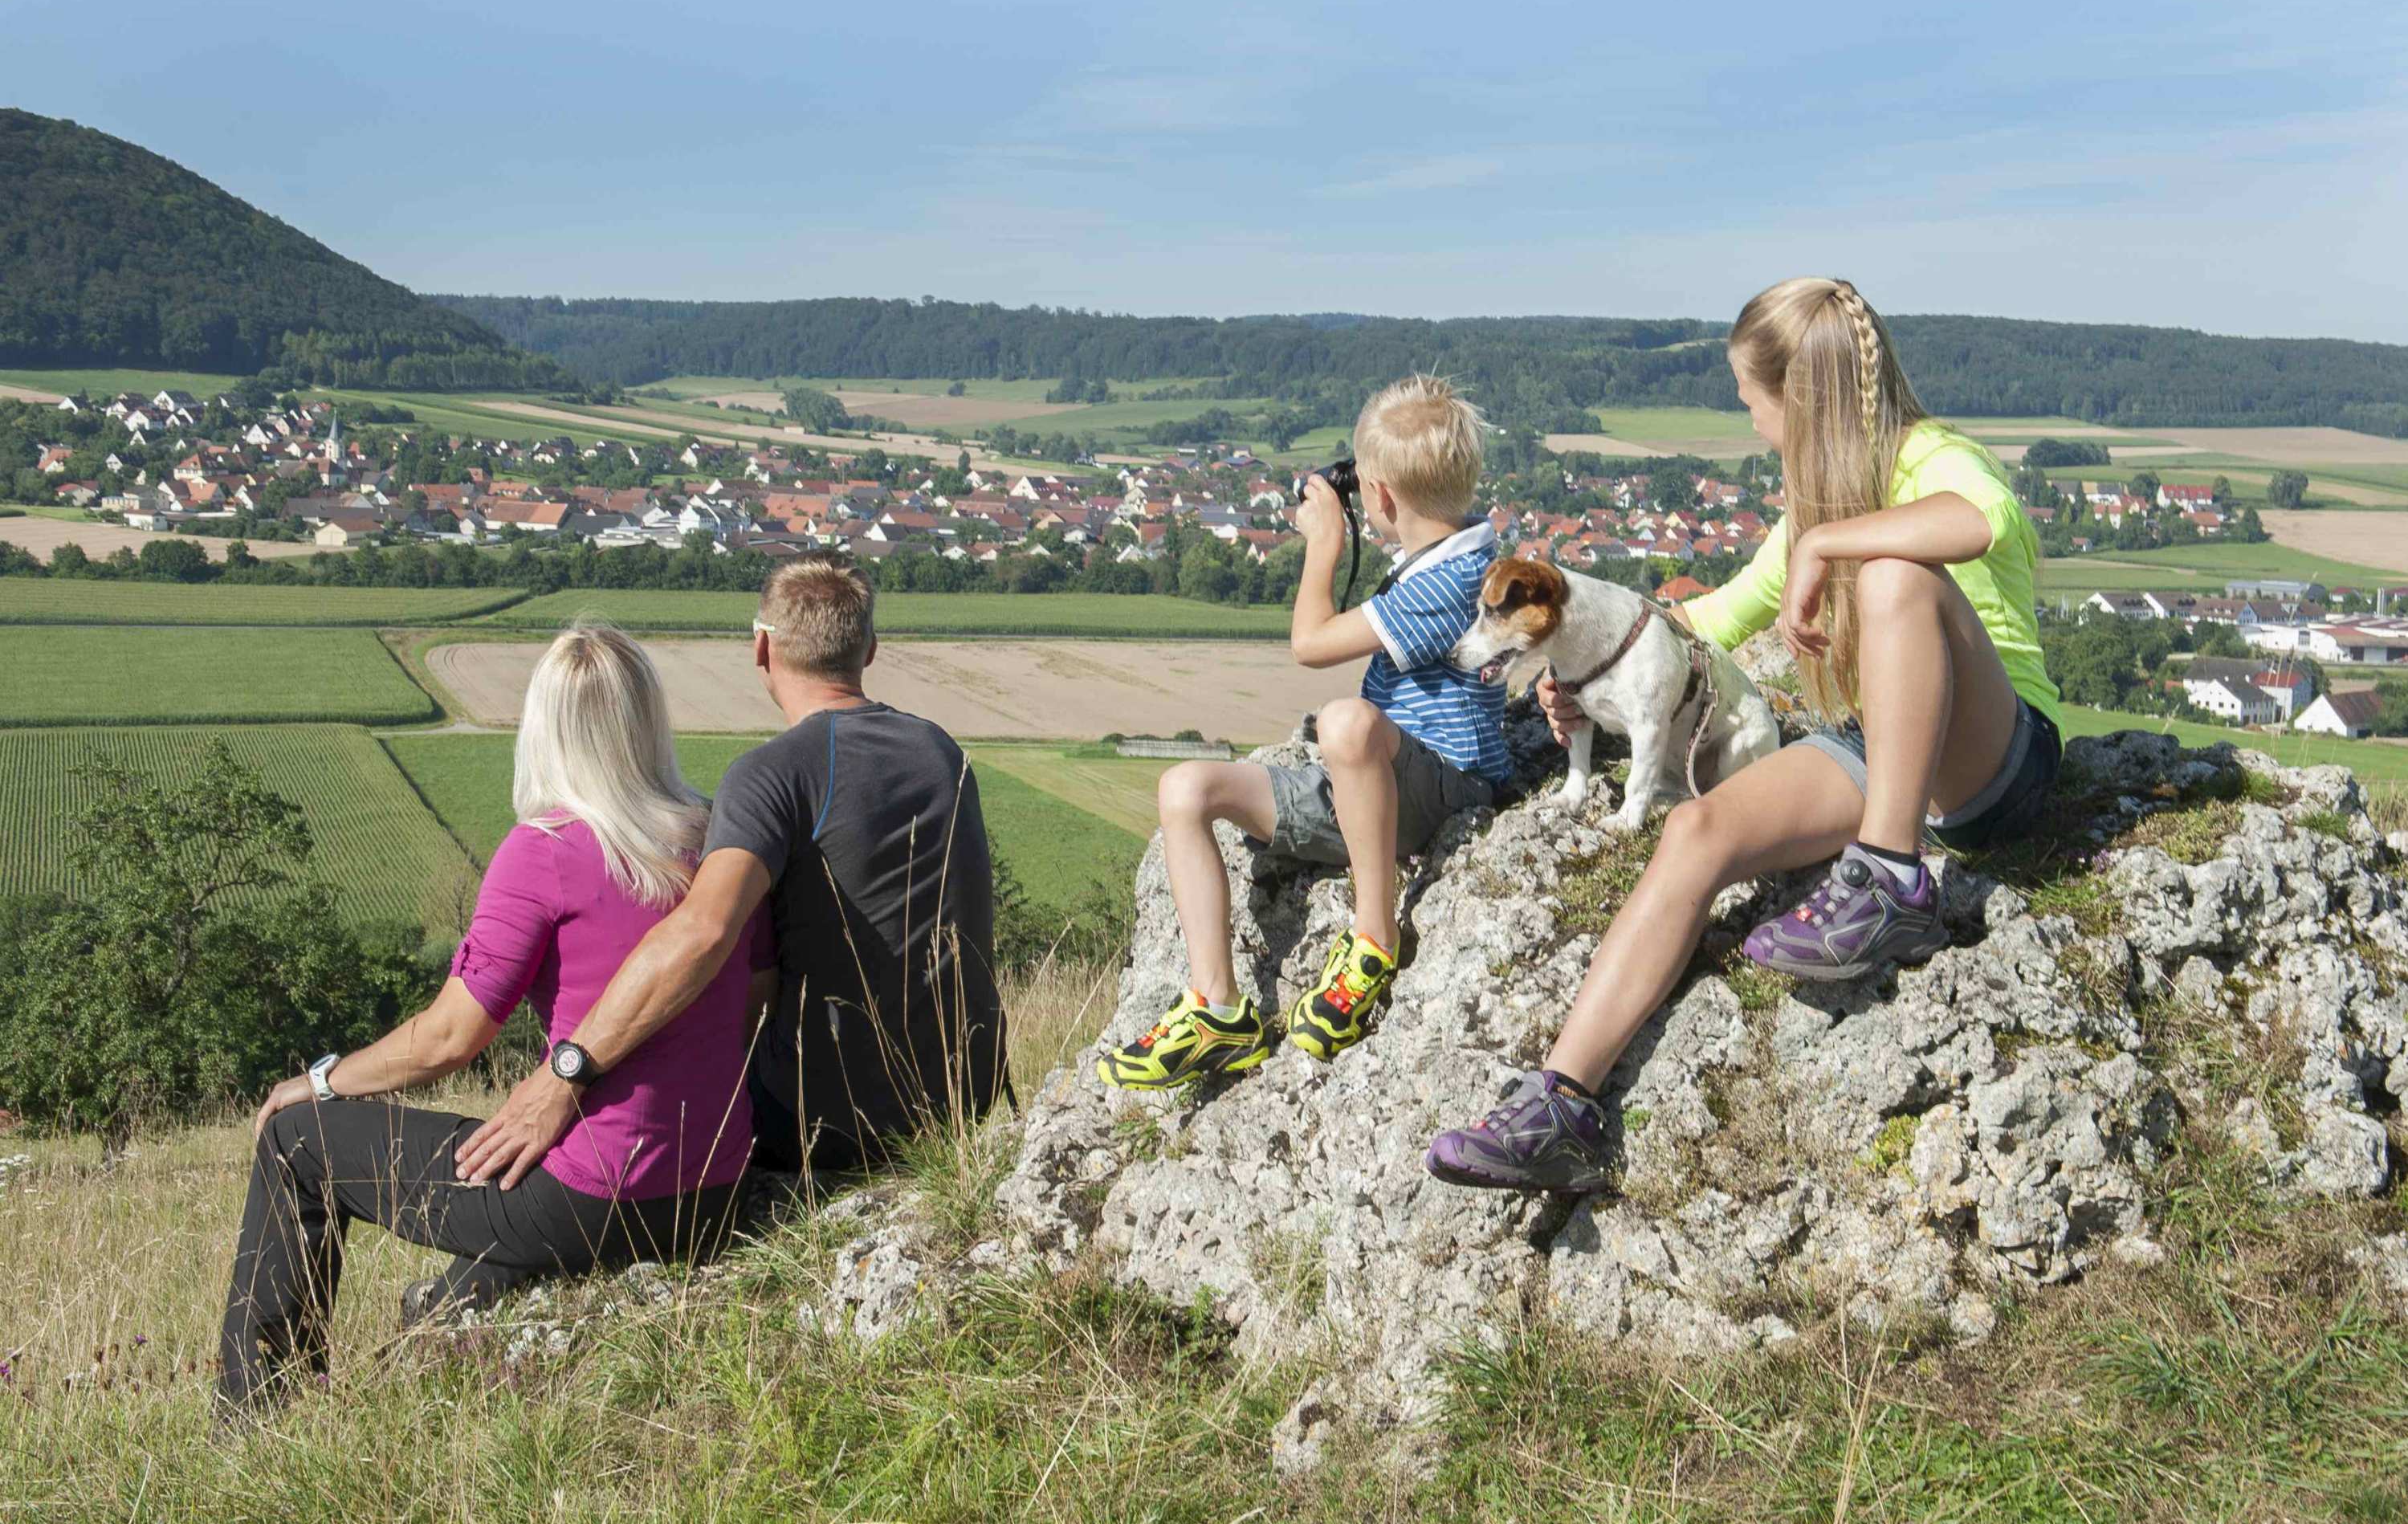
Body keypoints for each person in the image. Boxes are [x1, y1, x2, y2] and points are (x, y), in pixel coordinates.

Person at [1425, 276, 2064, 1192]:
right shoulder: (1811, 505)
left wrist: (1828, 545)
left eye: (1748, 401)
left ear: (1796, 401)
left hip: (1996, 758)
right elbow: (1703, 622)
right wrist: (1579, 666)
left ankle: (1890, 880)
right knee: (1695, 829)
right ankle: (1559, 1105)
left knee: (1894, 574)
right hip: (1877, 750)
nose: (1751, 423)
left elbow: (1980, 520)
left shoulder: (1933, 456)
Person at [219, 622, 771, 1414]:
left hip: (591, 1196)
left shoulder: (542, 850)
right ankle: (435, 1331)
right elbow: (753, 1001)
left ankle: (255, 1417)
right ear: (648, 719)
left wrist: (322, 1080)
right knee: (462, 1263)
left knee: (295, 1142)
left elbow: (450, 1038)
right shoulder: (721, 844)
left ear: (543, 726)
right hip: (712, 1187)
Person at [453, 555, 1004, 1188]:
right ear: (870, 648)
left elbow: (703, 932)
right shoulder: (940, 751)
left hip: (821, 1116)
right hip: (962, 1094)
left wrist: (566, 1071)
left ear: (761, 647)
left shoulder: (771, 775)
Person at [1098, 373, 1509, 1090]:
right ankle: (1216, 1007)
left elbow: (1310, 642)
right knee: (1185, 788)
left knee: (1344, 720)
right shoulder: (1435, 560)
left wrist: (1324, 543)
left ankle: (1373, 938)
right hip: (1369, 789)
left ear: (1379, 496)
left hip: (1448, 789)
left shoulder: (1459, 577)